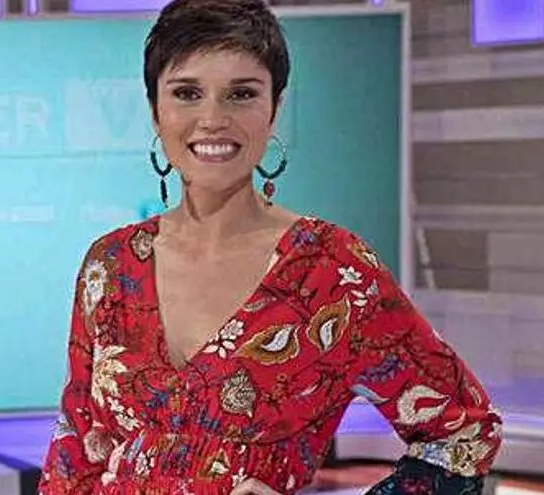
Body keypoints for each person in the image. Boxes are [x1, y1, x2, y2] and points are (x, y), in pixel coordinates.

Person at [38, 0, 502, 493]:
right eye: (187, 93)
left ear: (275, 109)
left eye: (241, 94)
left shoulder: (331, 272)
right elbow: (73, 455)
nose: (212, 119)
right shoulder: (111, 266)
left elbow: (465, 434)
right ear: (156, 111)